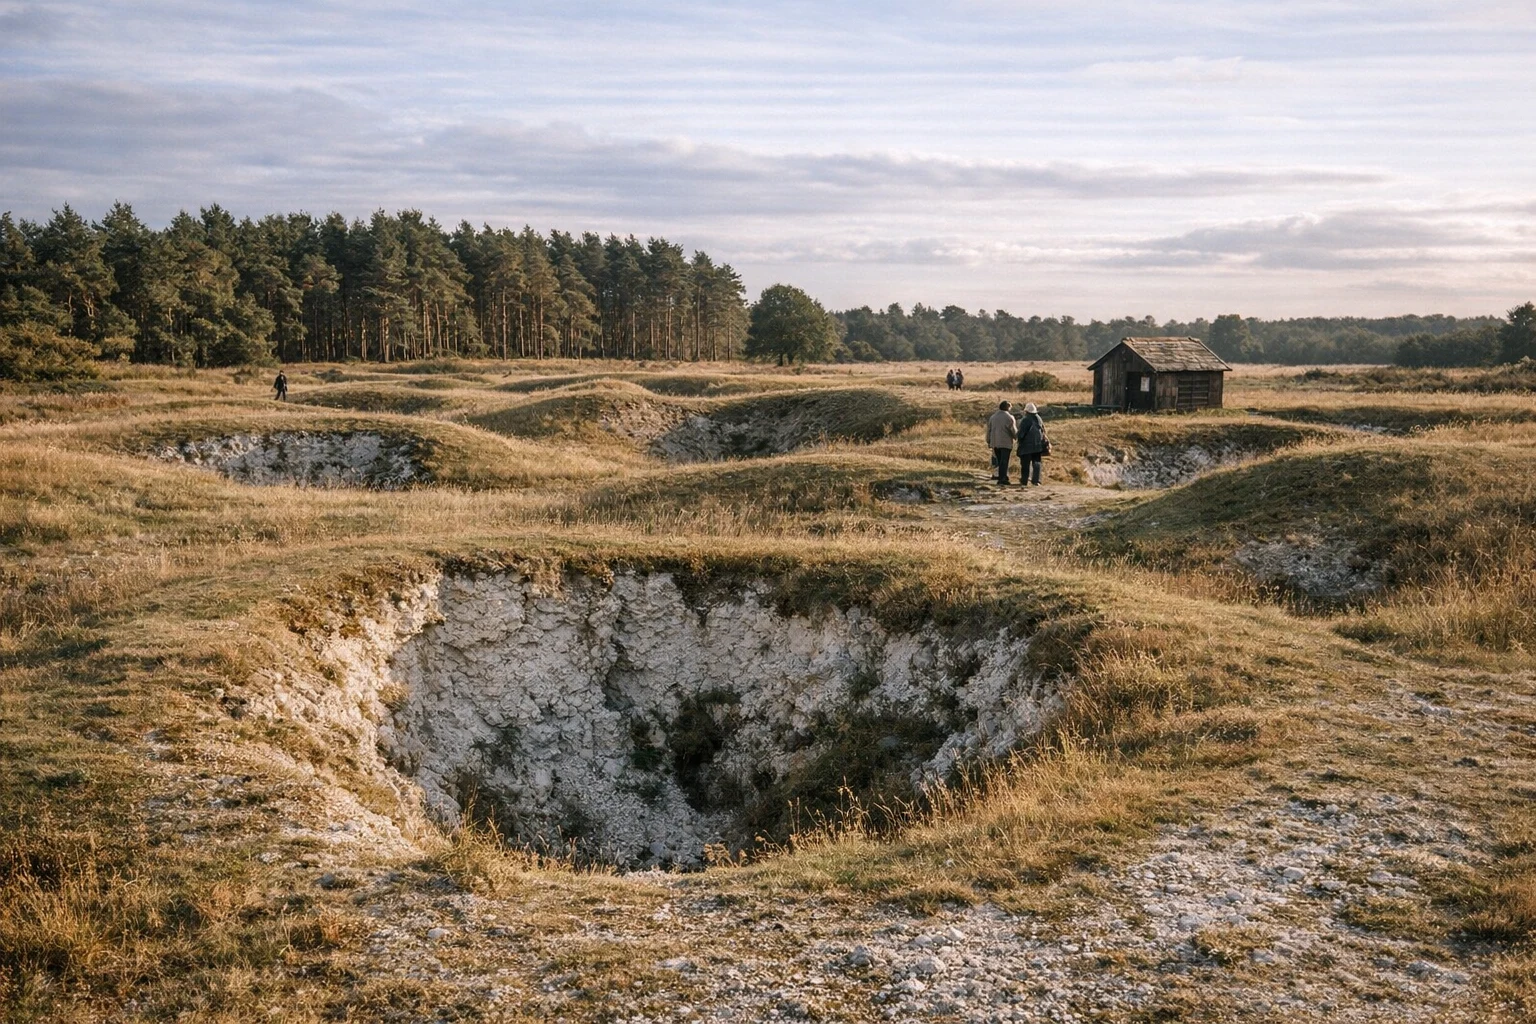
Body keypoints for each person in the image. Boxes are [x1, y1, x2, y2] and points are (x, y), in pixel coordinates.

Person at [987, 400, 1018, 485]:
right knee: (1004, 460)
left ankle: (1002, 476)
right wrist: (1017, 437)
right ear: (1007, 407)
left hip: (995, 442)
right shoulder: (1009, 417)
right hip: (1005, 442)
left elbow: (989, 430)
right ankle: (1002, 478)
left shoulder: (993, 417)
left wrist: (988, 441)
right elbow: (1013, 430)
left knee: (1000, 460)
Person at [1015, 401, 1047, 486]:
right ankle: (1036, 480)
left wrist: (1019, 439)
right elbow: (1043, 430)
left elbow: (1022, 433)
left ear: (1026, 411)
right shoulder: (1039, 418)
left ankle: (1024, 480)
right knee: (1037, 463)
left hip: (1027, 446)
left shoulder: (1026, 420)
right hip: (1038, 445)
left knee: (1025, 464)